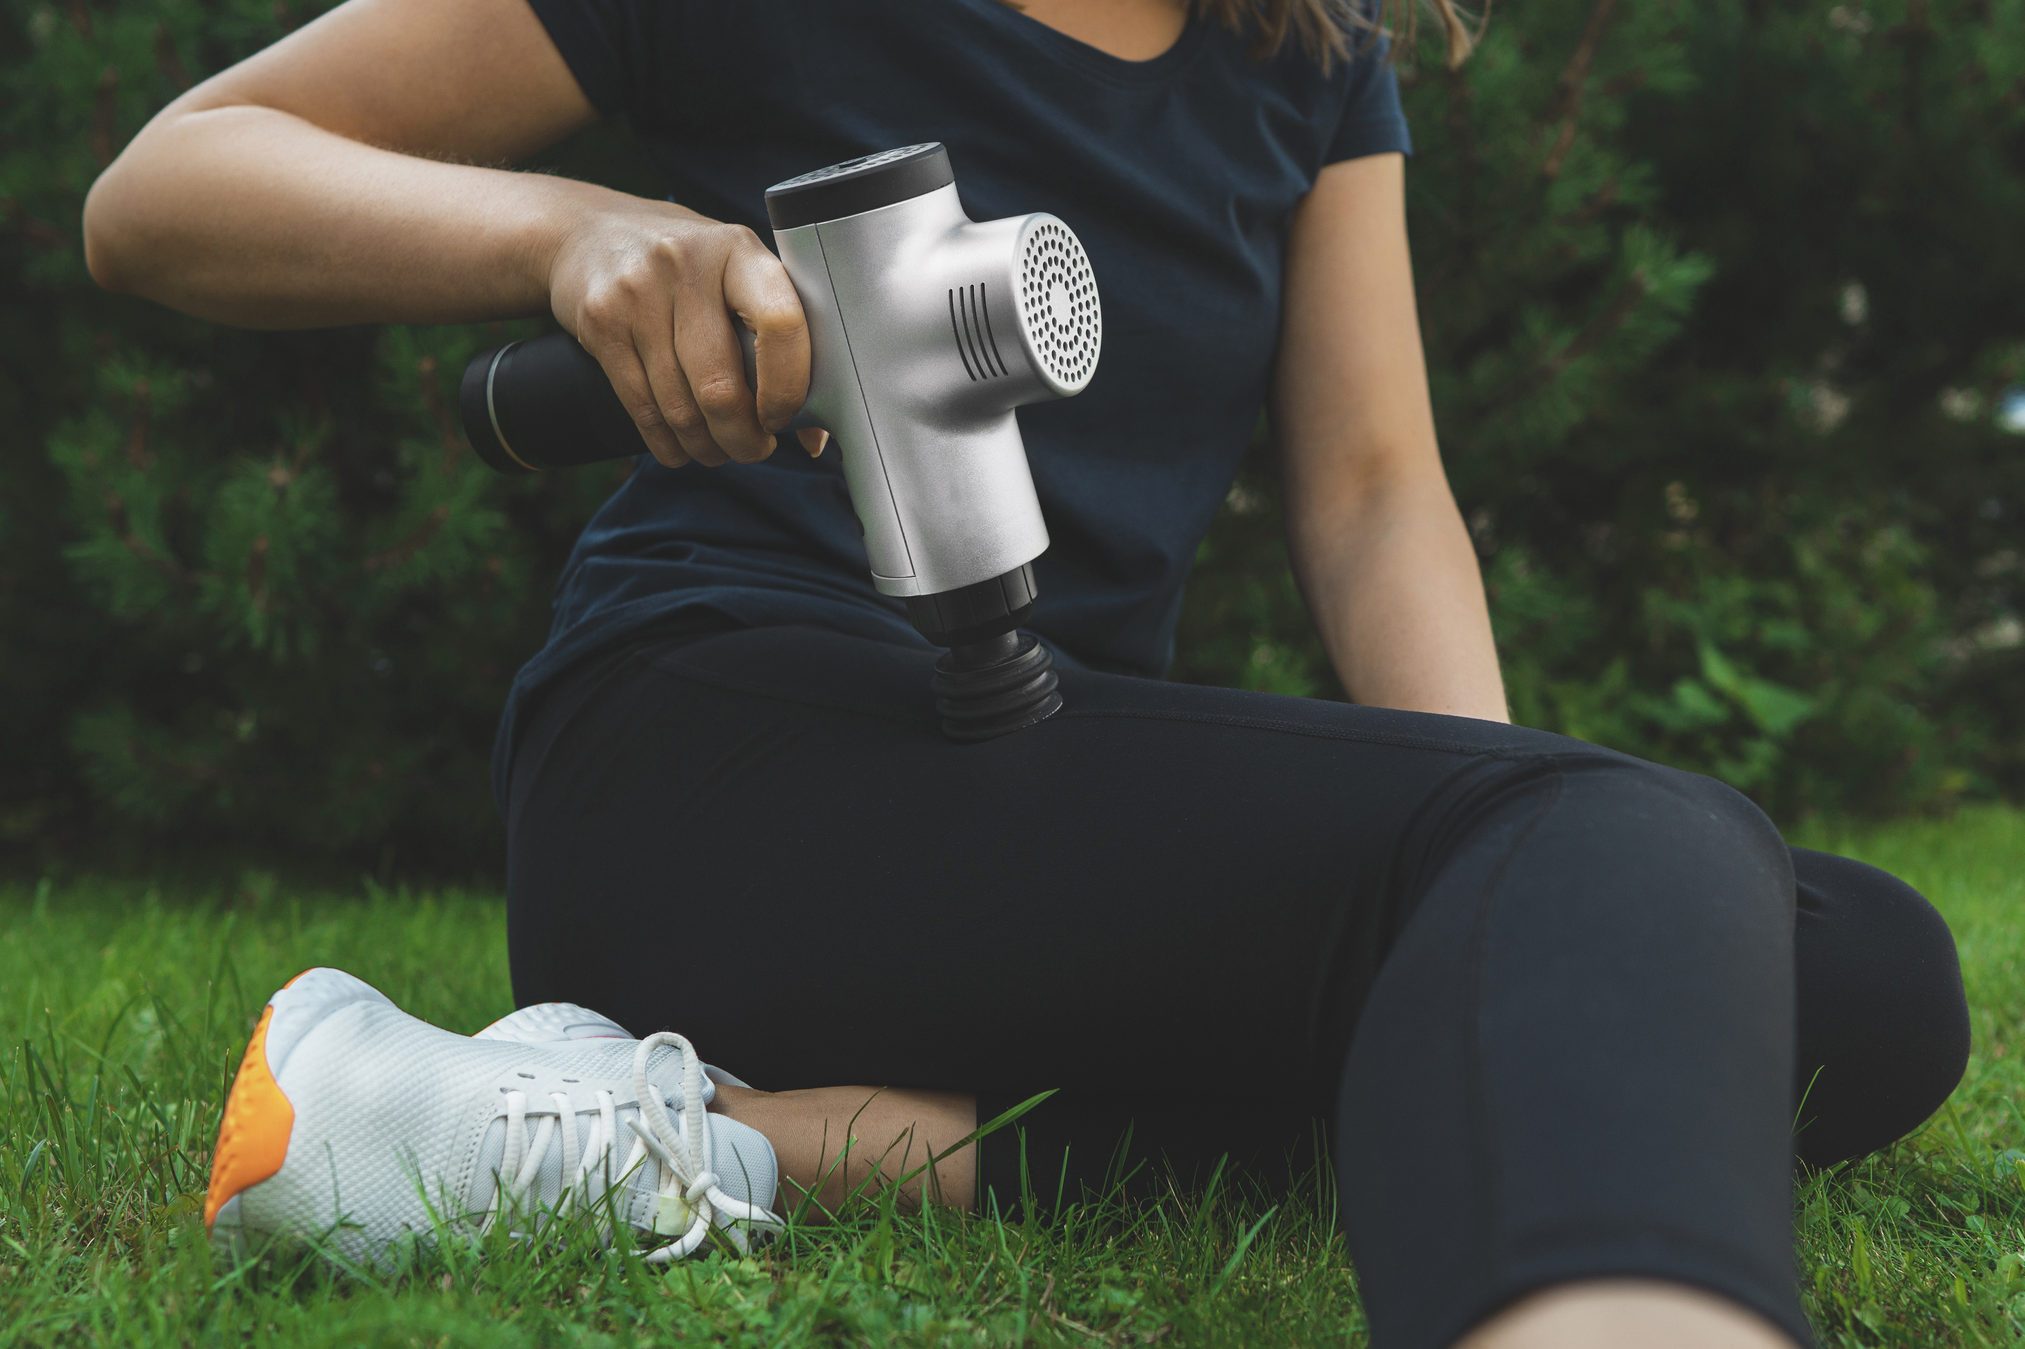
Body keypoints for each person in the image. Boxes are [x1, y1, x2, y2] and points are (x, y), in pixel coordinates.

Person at [82, 1, 1972, 1345]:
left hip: (1037, 794)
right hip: (719, 761)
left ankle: (689, 1144)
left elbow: (1378, 490)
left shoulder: (1303, 51)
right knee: (1613, 867)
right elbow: (166, 188)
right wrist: (575, 231)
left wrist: (1489, 877)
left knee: (1852, 974)